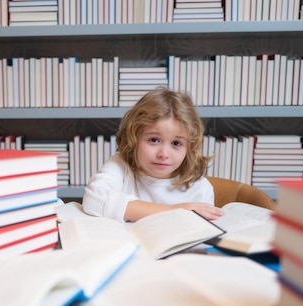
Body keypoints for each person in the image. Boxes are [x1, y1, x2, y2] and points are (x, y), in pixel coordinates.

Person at [82, 86, 225, 222]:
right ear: (134, 138)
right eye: (154, 140)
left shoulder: (200, 188)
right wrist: (175, 210)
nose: (163, 154)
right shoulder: (121, 165)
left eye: (176, 143)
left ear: (189, 147)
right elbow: (94, 200)